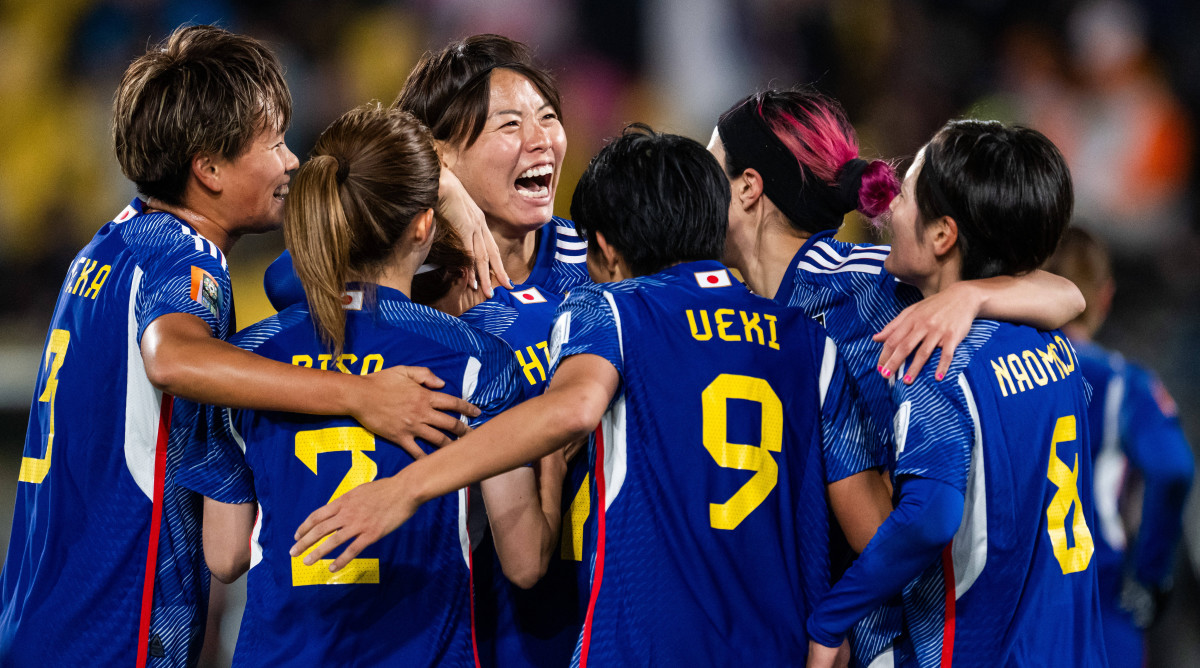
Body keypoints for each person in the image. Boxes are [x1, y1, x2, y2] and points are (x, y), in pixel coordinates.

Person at [289, 125, 890, 665]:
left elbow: (572, 409)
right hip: (780, 649)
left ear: (603, 249)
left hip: (638, 647)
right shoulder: (811, 343)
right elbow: (875, 533)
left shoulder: (612, 311)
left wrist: (404, 488)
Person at [0, 26, 477, 668]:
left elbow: (298, 271)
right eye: (273, 142)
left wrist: (439, 186)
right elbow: (173, 357)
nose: (290, 162)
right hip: (109, 629)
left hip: (44, 615)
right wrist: (360, 394)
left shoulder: (111, 246)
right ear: (210, 170)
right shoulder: (183, 254)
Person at [707, 89, 1087, 664]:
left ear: (748, 188)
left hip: (902, 628)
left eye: (708, 166)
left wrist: (969, 295)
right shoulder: (723, 303)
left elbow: (1065, 293)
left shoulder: (868, 290)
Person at [180, 104, 560, 667]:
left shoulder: (246, 361)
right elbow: (525, 560)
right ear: (425, 225)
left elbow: (226, 555)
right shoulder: (478, 358)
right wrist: (549, 443)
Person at [805, 120, 1106, 667]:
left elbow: (932, 516)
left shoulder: (939, 361)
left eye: (907, 193)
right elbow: (1067, 297)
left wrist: (829, 620)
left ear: (943, 235)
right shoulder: (1053, 345)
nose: (888, 206)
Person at [1044, 227, 1194, 667]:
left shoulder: (1000, 366)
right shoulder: (1122, 383)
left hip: (1016, 595)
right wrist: (1149, 573)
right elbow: (1173, 469)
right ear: (1105, 296)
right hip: (1098, 597)